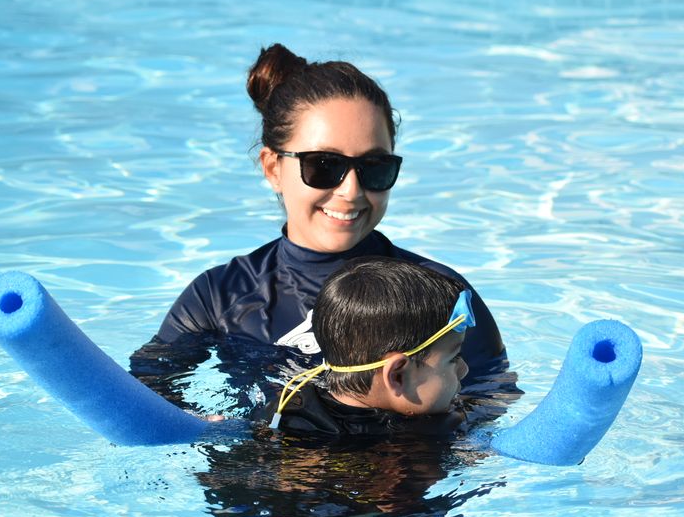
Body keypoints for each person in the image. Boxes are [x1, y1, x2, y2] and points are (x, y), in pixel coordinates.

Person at [136, 43, 507, 388]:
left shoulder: (440, 294)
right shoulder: (220, 296)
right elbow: (146, 391)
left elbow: (490, 400)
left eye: (374, 166)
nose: (352, 190)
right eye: (324, 165)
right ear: (273, 167)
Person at [258, 256, 473, 436]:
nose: (464, 369)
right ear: (397, 375)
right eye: (453, 358)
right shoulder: (422, 441)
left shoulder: (284, 412)